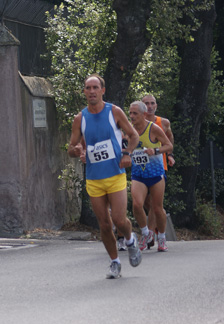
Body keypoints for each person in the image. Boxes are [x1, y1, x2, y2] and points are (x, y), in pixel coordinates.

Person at [68, 74, 142, 279]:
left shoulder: (114, 112)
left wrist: (127, 154)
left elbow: (134, 135)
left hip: (115, 175)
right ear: (84, 92)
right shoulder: (79, 119)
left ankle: (130, 239)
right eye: (87, 88)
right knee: (104, 224)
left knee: (119, 219)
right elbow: (71, 148)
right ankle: (115, 262)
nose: (91, 91)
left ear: (102, 90)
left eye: (95, 87)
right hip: (94, 179)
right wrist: (77, 151)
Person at [128, 100, 173, 252]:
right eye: (130, 113)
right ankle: (146, 233)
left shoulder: (153, 128)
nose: (132, 116)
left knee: (157, 208)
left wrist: (155, 151)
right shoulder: (130, 130)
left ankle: (161, 237)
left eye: (135, 113)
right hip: (138, 174)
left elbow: (169, 145)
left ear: (143, 114)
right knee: (136, 204)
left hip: (155, 173)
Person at [142, 94, 175, 248]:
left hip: (158, 167)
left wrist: (169, 155)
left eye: (152, 103)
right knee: (146, 202)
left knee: (154, 203)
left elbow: (169, 138)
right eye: (146, 103)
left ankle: (150, 233)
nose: (149, 106)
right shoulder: (135, 123)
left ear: (156, 106)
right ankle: (155, 224)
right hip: (140, 168)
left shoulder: (164, 123)